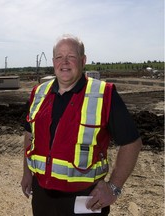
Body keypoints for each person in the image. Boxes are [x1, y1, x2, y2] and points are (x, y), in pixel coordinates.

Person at [21, 34, 142, 216]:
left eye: (71, 56)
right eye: (59, 57)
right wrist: (27, 173)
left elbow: (132, 143)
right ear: (53, 61)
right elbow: (30, 135)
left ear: (83, 60)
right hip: (42, 195)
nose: (65, 62)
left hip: (85, 199)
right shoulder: (38, 93)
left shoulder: (104, 94)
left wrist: (113, 187)